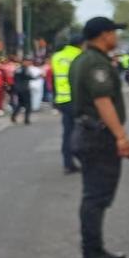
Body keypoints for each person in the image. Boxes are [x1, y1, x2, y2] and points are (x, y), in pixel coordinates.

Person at [69, 17, 129, 258]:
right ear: (104, 35)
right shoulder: (95, 62)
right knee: (96, 198)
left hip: (87, 132)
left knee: (95, 197)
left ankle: (97, 250)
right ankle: (91, 257)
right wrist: (121, 136)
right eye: (114, 33)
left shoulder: (83, 59)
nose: (116, 37)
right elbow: (103, 100)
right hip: (98, 136)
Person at [51, 33, 85, 175]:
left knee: (67, 132)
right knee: (83, 131)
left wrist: (55, 99)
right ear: (81, 44)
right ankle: (84, 160)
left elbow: (53, 79)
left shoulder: (56, 56)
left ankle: (68, 163)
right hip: (77, 99)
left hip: (62, 100)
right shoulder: (81, 57)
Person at [9, 56, 32, 124]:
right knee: (28, 104)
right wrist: (37, 76)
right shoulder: (25, 69)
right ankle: (26, 119)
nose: (29, 63)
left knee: (20, 104)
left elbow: (14, 78)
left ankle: (13, 116)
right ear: (24, 62)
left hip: (18, 89)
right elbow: (29, 77)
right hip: (25, 89)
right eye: (28, 61)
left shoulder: (18, 69)